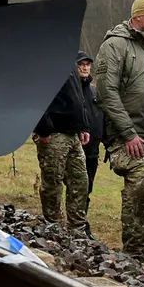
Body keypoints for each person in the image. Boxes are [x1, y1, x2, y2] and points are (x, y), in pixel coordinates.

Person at [94, 0, 144, 258]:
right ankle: (134, 253)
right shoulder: (115, 45)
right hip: (129, 135)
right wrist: (128, 133)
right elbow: (106, 92)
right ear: (137, 16)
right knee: (140, 189)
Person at [32, 64, 92, 235]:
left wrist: (83, 125)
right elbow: (37, 94)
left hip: (73, 133)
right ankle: (54, 227)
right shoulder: (46, 59)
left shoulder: (69, 60)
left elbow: (78, 96)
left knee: (80, 181)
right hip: (54, 133)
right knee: (53, 182)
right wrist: (43, 128)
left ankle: (77, 228)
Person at [77, 51, 105, 202]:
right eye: (81, 64)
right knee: (75, 185)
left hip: (93, 148)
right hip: (74, 146)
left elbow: (102, 115)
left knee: (88, 186)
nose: (85, 68)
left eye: (87, 65)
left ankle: (81, 219)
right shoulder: (70, 89)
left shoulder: (94, 91)